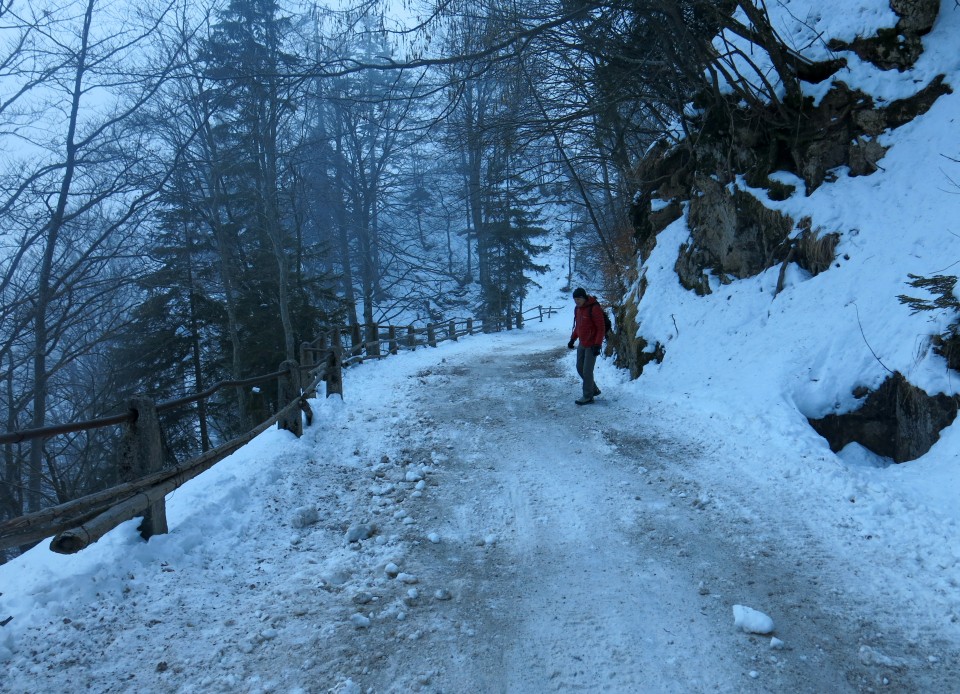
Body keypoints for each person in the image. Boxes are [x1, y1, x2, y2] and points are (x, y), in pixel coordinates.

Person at [567, 287, 605, 405]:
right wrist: (572, 339)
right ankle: (593, 389)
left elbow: (601, 328)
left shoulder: (594, 308)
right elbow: (579, 327)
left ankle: (588, 396)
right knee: (579, 368)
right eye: (575, 300)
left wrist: (597, 344)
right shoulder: (577, 309)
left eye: (578, 299)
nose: (577, 302)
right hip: (582, 343)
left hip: (592, 344)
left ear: (584, 298)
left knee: (587, 371)